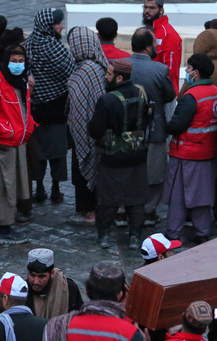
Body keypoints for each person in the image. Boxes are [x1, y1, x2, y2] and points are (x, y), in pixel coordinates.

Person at [89, 58, 151, 250]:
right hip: (138, 155)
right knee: (136, 198)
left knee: (108, 198)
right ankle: (134, 237)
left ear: (119, 77)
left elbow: (95, 130)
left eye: (108, 74)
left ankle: (104, 236)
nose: (105, 77)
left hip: (113, 157)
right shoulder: (141, 92)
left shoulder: (107, 100)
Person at [164, 54, 217, 244]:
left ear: (196, 72)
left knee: (178, 196)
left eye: (188, 69)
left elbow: (176, 125)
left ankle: (173, 233)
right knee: (203, 197)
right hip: (208, 152)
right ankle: (202, 231)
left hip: (186, 153)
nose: (187, 72)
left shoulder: (191, 97)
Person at [0, 36, 34, 245]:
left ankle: (8, 223)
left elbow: (26, 108)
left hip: (18, 142)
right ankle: (2, 227)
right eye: (14, 60)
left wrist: (27, 128)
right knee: (4, 187)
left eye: (21, 61)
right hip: (4, 144)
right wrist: (8, 131)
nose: (18, 64)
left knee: (14, 186)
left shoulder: (21, 82)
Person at [25, 8, 75, 203]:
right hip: (56, 108)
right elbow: (71, 71)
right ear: (48, 26)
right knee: (57, 152)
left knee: (37, 151)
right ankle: (55, 189)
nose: (61, 26)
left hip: (35, 108)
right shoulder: (56, 48)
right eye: (58, 23)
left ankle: (39, 188)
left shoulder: (28, 44)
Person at [129, 27, 177, 225]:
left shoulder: (122, 66)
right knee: (154, 174)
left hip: (127, 130)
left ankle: (125, 210)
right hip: (154, 130)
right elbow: (169, 95)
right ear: (148, 47)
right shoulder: (159, 70)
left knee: (128, 171)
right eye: (155, 43)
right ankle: (148, 211)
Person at [66, 26, 109, 226]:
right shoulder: (100, 67)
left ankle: (89, 212)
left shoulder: (84, 71)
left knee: (82, 170)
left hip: (83, 133)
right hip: (98, 131)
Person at [24, 248, 83, 318]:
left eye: (41, 276)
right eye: (32, 275)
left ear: (52, 273)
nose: (36, 281)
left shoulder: (68, 288)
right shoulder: (22, 290)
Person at [143, 0, 182, 92]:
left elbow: (170, 70)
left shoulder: (169, 35)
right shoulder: (147, 30)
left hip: (164, 92)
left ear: (161, 10)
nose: (147, 11)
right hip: (149, 88)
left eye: (152, 8)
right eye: (145, 7)